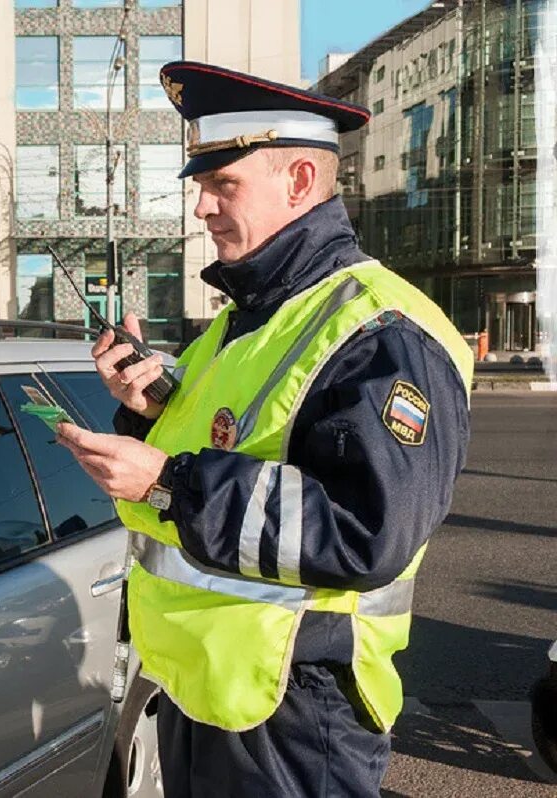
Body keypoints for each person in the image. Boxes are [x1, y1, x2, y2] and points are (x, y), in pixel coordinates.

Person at [57, 61, 473, 797]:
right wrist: (149, 411)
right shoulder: (245, 322)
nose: (202, 209)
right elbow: (232, 447)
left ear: (301, 180)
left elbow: (366, 531)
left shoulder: (380, 330)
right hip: (210, 689)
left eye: (224, 186)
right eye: (200, 188)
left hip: (295, 705)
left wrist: (165, 481)